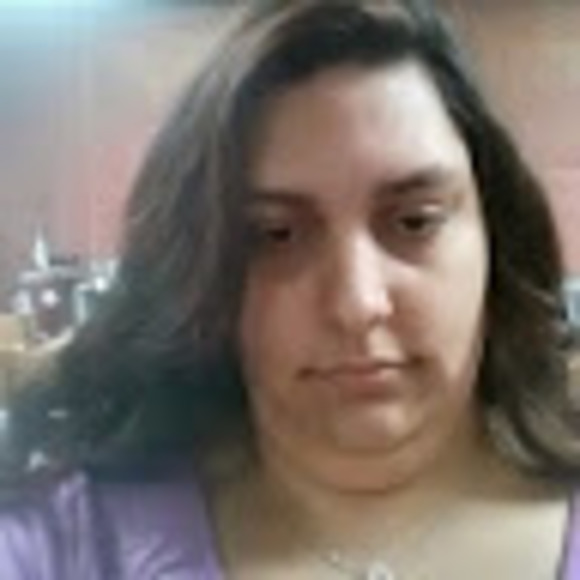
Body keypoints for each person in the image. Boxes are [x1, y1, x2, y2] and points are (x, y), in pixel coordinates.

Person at [1, 0, 579, 578]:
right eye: (276, 234)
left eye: (414, 222)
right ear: (203, 269)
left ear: (496, 236)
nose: (357, 304)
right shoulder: (63, 546)